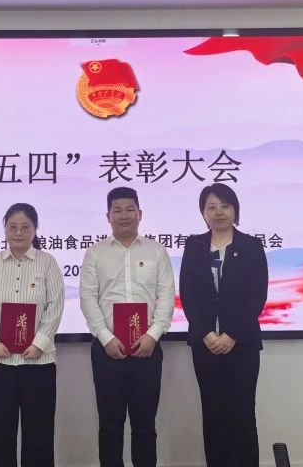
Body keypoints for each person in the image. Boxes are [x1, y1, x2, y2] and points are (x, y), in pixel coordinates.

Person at [79, 187, 176, 467]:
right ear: (108, 216)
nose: (124, 215)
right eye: (117, 210)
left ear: (140, 213)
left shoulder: (156, 251)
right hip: (107, 351)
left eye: (130, 209)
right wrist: (106, 338)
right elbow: (88, 298)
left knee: (145, 426)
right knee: (110, 425)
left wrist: (152, 335)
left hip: (147, 350)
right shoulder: (95, 253)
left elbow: (167, 296)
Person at [179, 182, 269, 467]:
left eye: (225, 206)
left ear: (235, 210)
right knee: (213, 413)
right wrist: (206, 333)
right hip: (205, 345)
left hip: (242, 345)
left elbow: (257, 295)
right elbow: (188, 294)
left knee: (243, 413)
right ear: (203, 213)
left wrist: (233, 335)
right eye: (211, 207)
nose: (218, 212)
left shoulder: (251, 246)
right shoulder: (194, 246)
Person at [0, 203, 65, 467]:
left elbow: (55, 307)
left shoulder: (47, 263)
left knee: (39, 434)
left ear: (35, 229)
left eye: (25, 227)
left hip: (39, 362)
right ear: (5, 229)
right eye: (13, 227)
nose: (19, 233)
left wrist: (39, 344)